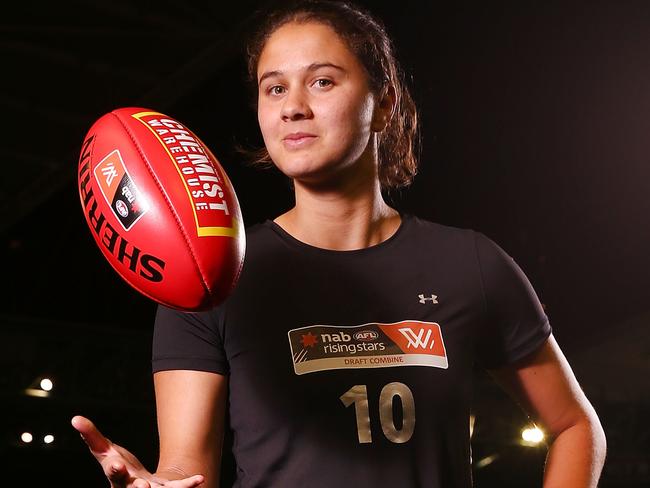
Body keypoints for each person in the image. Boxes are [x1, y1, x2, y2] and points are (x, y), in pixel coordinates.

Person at [71, 1, 606, 487]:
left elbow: (574, 426)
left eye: (322, 82)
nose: (292, 107)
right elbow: (188, 470)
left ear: (385, 100)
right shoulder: (210, 278)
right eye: (274, 88)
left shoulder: (471, 264)